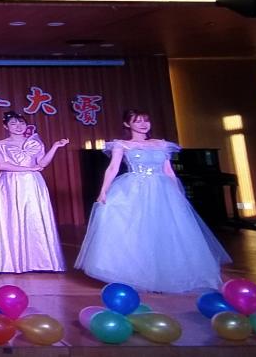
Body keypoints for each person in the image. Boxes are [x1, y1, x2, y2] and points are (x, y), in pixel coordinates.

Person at [75, 109, 231, 292]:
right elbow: (112, 168)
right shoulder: (122, 145)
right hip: (134, 188)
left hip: (162, 190)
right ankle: (135, 274)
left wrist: (178, 192)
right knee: (135, 230)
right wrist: (103, 191)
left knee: (166, 231)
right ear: (127, 124)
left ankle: (168, 274)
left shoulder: (161, 144)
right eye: (137, 121)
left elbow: (168, 171)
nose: (143, 124)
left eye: (146, 120)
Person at [0, 111, 68, 274]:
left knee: (34, 217)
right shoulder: (0, 144)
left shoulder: (35, 142)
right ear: (6, 127)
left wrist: (55, 147)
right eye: (13, 124)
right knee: (11, 218)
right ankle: (6, 264)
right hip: (10, 182)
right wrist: (28, 169)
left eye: (21, 123)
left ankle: (42, 262)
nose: (18, 127)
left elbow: (42, 163)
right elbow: (1, 165)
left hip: (32, 182)